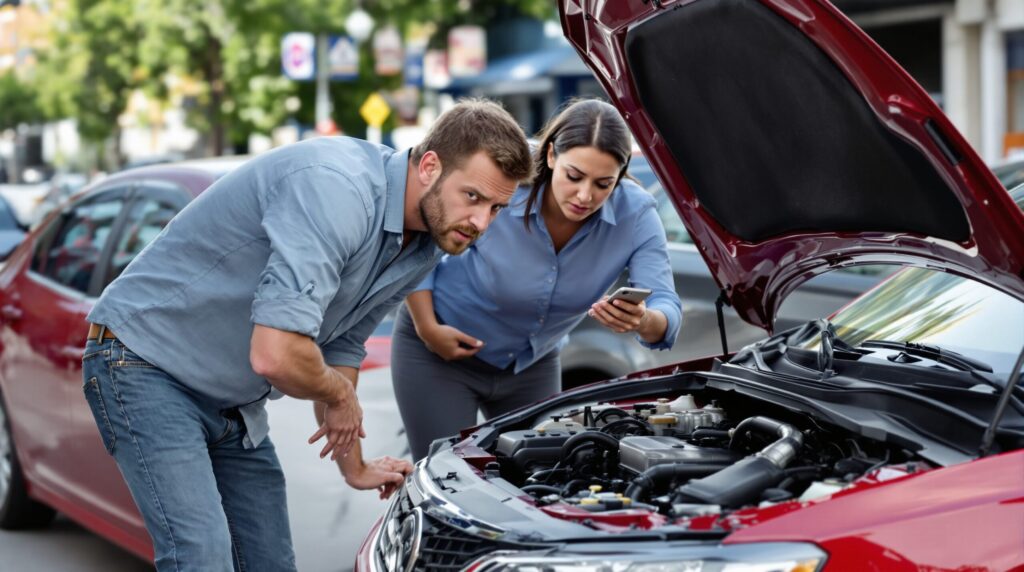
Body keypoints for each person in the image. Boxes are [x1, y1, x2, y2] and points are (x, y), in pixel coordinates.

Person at [81, 100, 532, 571]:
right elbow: (276, 355)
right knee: (203, 556)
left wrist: (355, 467)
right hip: (144, 364)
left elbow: (343, 344)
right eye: (473, 197)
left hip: (231, 401)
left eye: (497, 208)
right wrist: (338, 394)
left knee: (271, 562)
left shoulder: (426, 243)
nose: (481, 223)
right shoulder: (336, 189)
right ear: (430, 166)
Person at [392, 99, 682, 461]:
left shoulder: (636, 213)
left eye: (603, 184)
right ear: (550, 155)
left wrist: (644, 319)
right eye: (574, 176)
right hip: (438, 350)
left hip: (532, 367)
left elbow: (666, 306)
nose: (585, 195)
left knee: (539, 475)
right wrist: (427, 327)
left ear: (621, 175)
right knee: (445, 470)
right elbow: (423, 233)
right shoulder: (507, 176)